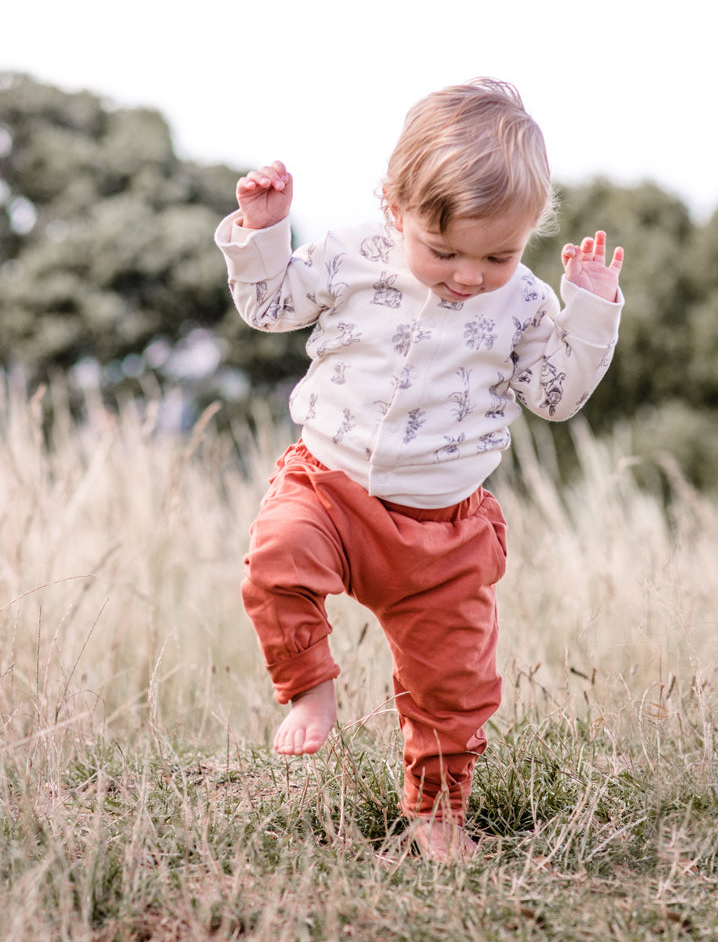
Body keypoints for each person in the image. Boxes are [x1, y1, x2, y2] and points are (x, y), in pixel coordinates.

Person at [214, 78, 624, 861]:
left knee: (455, 688)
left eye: (498, 254)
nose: (468, 276)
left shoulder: (527, 304)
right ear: (394, 207)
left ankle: (436, 813)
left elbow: (555, 398)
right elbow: (269, 306)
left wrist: (591, 312)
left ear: (529, 234)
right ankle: (309, 684)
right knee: (275, 560)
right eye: (444, 252)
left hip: (443, 531)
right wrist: (264, 232)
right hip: (328, 487)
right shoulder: (350, 256)